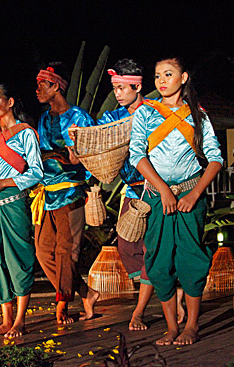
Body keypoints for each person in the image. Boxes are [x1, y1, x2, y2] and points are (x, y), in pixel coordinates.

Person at [130, 57, 223, 345]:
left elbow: (215, 158)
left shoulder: (199, 115)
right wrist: (164, 190)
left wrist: (194, 194)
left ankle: (192, 325)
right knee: (157, 262)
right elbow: (137, 156)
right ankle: (171, 327)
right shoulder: (145, 113)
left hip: (189, 198)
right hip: (159, 197)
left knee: (191, 260)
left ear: (183, 78)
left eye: (168, 74)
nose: (161, 80)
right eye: (157, 75)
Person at [97, 59, 186, 330]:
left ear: (137, 87)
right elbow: (98, 137)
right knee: (126, 245)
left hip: (155, 189)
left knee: (152, 249)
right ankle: (169, 291)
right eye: (115, 88)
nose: (118, 94)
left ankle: (138, 312)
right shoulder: (112, 117)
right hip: (132, 190)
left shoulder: (154, 112)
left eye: (123, 88)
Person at [31, 63, 100, 324]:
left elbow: (92, 155)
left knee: (66, 251)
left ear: (56, 86)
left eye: (42, 85)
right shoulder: (43, 119)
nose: (37, 90)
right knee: (42, 251)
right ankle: (86, 292)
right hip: (47, 192)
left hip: (71, 191)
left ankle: (61, 303)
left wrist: (77, 159)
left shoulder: (80, 118)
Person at [0, 84, 43, 338]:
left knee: (18, 259)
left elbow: (36, 172)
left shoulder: (26, 134)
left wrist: (2, 183)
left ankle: (20, 320)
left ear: (11, 102)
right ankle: (5, 319)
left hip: (13, 202)